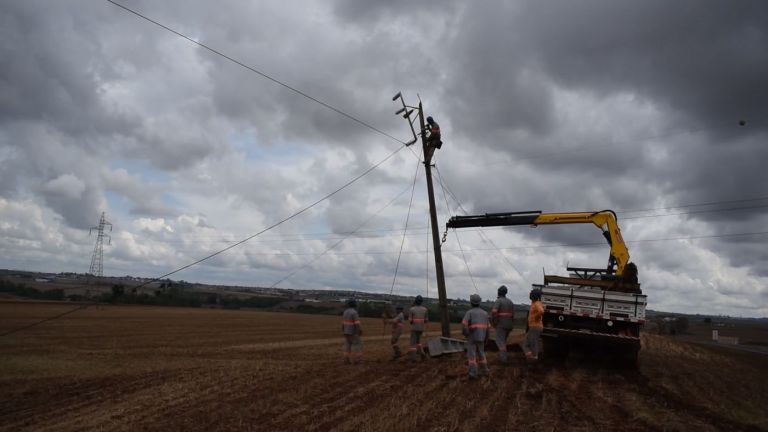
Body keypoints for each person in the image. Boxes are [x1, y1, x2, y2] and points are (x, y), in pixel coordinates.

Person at [462, 293, 490, 379]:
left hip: (472, 337)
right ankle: (485, 371)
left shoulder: (469, 312)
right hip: (482, 337)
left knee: (472, 356)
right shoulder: (485, 313)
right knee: (481, 354)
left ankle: (473, 373)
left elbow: (464, 325)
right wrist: (486, 338)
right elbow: (488, 328)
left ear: (471, 302)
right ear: (479, 302)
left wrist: (466, 333)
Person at [491, 285, 515, 363]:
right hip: (509, 325)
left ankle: (503, 359)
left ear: (498, 292)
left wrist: (494, 322)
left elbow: (494, 311)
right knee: (503, 341)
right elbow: (513, 315)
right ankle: (502, 356)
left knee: (500, 342)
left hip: (501, 325)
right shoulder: (510, 301)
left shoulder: (498, 301)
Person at [524, 288, 544, 361]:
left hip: (535, 327)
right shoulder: (534, 303)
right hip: (533, 326)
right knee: (526, 344)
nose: (530, 295)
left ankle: (534, 358)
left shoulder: (537, 303)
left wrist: (536, 317)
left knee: (533, 343)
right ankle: (530, 357)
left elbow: (541, 311)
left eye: (531, 294)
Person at [341, 298, 363, 364]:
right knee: (357, 345)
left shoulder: (345, 312)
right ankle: (357, 360)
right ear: (355, 305)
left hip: (346, 332)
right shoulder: (354, 312)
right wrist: (359, 331)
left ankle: (346, 360)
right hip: (353, 332)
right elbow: (357, 323)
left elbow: (343, 323)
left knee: (347, 346)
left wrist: (343, 330)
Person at [408, 295, 429, 362]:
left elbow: (410, 321)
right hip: (421, 328)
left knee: (413, 343)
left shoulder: (412, 309)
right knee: (418, 342)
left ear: (415, 301)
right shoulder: (425, 309)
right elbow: (426, 320)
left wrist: (414, 321)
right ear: (421, 301)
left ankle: (413, 358)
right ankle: (423, 354)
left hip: (414, 328)